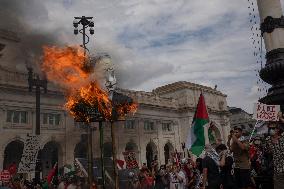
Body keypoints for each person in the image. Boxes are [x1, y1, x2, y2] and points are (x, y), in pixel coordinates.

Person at [264, 113, 284, 189]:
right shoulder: (267, 140)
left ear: (278, 129)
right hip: (277, 170)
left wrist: (281, 118)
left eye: (273, 128)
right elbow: (268, 151)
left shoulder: (283, 137)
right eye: (270, 128)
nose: (271, 130)